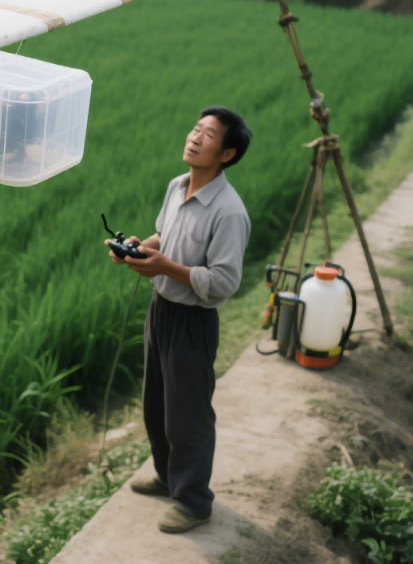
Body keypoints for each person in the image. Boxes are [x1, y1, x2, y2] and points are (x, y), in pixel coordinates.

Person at [105, 106, 252, 534]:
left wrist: (167, 267)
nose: (194, 137)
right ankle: (170, 477)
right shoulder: (177, 185)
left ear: (226, 154)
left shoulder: (229, 212)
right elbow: (162, 236)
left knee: (187, 416)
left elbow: (225, 282)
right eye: (195, 128)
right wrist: (136, 245)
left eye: (208, 135)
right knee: (157, 406)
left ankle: (193, 502)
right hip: (161, 310)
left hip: (193, 321)